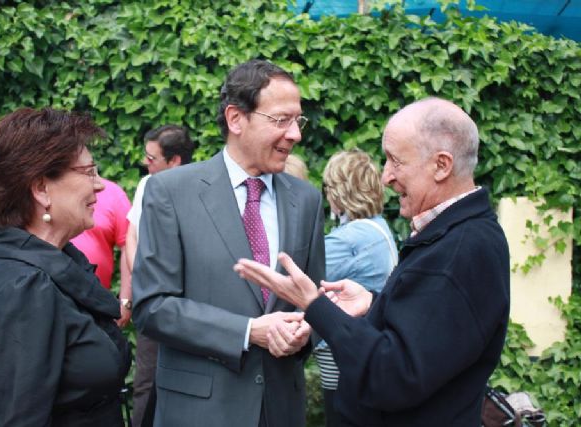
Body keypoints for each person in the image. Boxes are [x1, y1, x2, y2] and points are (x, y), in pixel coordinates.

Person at [234, 97, 510, 426]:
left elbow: (393, 376)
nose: (386, 177)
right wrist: (374, 303)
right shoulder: (453, 238)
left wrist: (315, 306)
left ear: (441, 165)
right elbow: (430, 334)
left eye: (395, 161)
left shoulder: (461, 250)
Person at [132, 59, 325, 427]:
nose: (295, 135)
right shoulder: (171, 192)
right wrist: (250, 332)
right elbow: (152, 307)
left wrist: (305, 332)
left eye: (297, 120)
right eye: (281, 120)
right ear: (236, 119)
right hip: (200, 412)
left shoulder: (307, 200)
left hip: (280, 408)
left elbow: (311, 298)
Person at [0, 108, 131, 426]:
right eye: (88, 171)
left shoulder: (53, 267)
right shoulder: (22, 290)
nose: (100, 186)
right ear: (41, 189)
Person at [314, 149, 397, 427]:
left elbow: (305, 279)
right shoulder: (379, 227)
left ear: (339, 191)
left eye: (328, 187)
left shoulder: (349, 238)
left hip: (339, 355)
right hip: (366, 344)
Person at [126, 124, 195, 427]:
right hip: (150, 301)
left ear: (175, 161)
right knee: (145, 382)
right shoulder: (145, 185)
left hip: (185, 304)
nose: (146, 163)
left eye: (152, 158)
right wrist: (139, 279)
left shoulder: (197, 191)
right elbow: (131, 233)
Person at [71, 177, 132, 328]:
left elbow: (129, 245)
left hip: (96, 301)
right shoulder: (50, 190)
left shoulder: (113, 193)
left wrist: (125, 300)